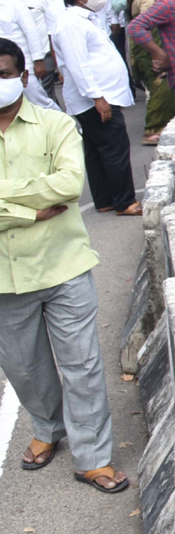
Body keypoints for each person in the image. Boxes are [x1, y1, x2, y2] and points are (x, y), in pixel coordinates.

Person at [0, 38, 129, 492]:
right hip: (4, 277)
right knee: (23, 367)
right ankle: (46, 428)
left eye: (3, 73)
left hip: (64, 266)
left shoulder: (55, 124)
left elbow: (69, 185)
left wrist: (6, 196)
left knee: (82, 365)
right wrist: (29, 210)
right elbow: (49, 192)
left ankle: (93, 456)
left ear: (23, 76)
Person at [54, 0, 140, 216]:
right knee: (114, 148)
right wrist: (97, 97)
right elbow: (77, 64)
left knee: (97, 150)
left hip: (101, 95)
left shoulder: (85, 19)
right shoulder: (71, 23)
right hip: (98, 98)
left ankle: (106, 199)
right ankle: (125, 202)